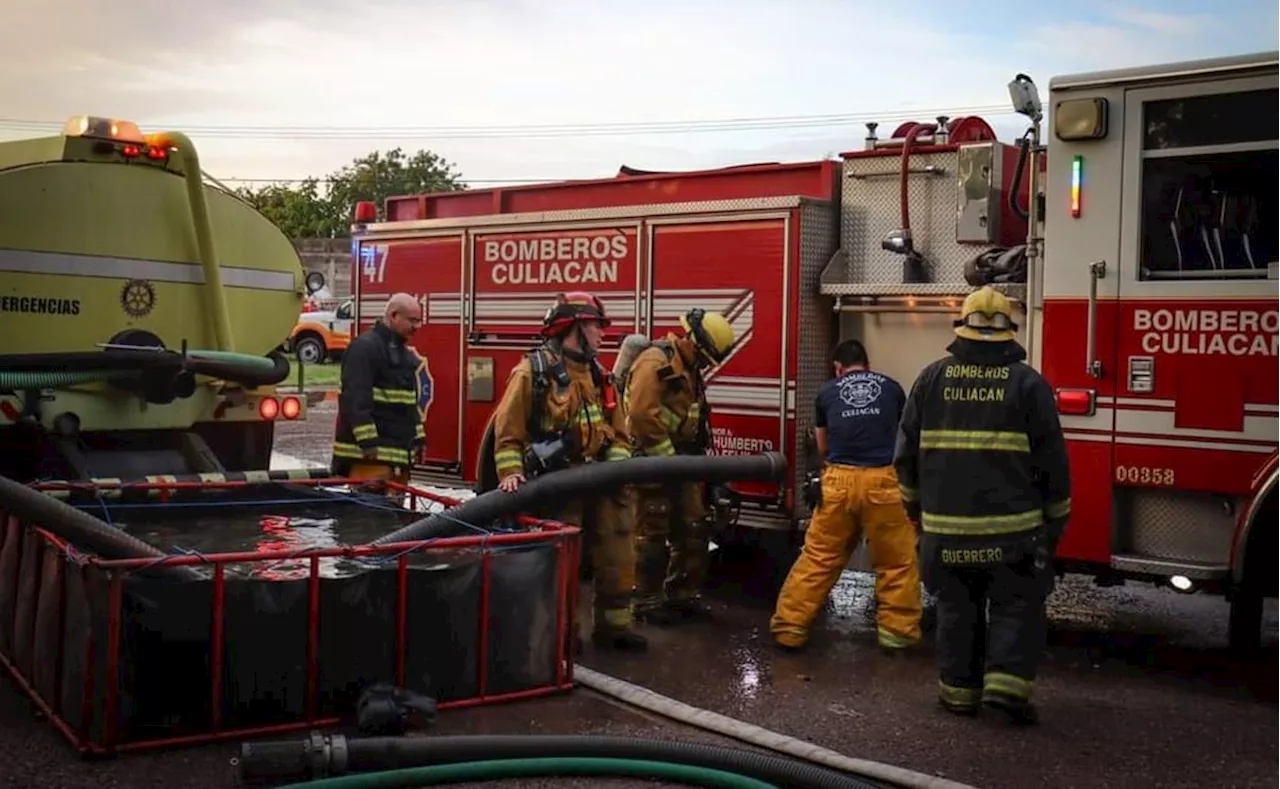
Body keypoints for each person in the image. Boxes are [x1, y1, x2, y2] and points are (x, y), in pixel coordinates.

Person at [894, 286, 1071, 725]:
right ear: (1009, 331)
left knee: (956, 610)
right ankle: (1004, 696)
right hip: (1013, 536)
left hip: (945, 535)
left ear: (964, 327)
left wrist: (916, 511)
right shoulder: (1029, 384)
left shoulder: (931, 379)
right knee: (1016, 606)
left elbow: (905, 454)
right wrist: (1056, 520)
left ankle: (958, 695)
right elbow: (1052, 461)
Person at [490, 291, 647, 652]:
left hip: (601, 483)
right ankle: (561, 637)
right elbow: (508, 431)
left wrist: (616, 469)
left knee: (618, 552)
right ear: (574, 327)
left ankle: (614, 628)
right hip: (560, 487)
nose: (602, 334)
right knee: (562, 562)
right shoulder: (533, 372)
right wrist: (511, 473)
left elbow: (619, 430)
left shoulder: (599, 374)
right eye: (595, 326)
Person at [770, 339, 922, 652]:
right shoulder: (892, 387)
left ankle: (790, 629)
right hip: (883, 481)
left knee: (818, 558)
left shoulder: (828, 391)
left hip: (838, 482)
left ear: (838, 368)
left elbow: (823, 447)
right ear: (867, 364)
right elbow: (905, 438)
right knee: (896, 562)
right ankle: (898, 635)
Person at [621, 308, 735, 625]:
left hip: (679, 463)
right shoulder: (655, 363)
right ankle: (645, 602)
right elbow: (643, 418)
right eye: (704, 358)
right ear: (694, 344)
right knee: (653, 531)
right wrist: (667, 459)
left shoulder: (687, 367)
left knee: (694, 526)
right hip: (654, 463)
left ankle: (682, 596)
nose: (705, 365)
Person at [331, 293, 426, 484]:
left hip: (395, 459)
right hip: (370, 458)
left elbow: (408, 405)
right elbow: (356, 399)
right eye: (412, 320)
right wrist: (368, 442)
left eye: (419, 321)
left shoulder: (401, 353)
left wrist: (418, 440)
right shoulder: (365, 348)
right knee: (369, 512)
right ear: (393, 316)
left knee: (395, 512)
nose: (417, 327)